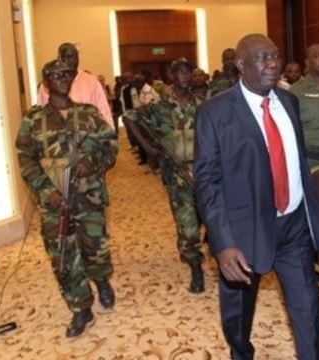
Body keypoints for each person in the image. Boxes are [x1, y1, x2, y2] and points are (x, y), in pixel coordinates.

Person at [194, 33, 319, 360]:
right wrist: (223, 244)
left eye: (275, 56)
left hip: (294, 226)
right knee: (238, 317)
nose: (272, 64)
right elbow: (207, 183)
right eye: (262, 58)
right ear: (240, 64)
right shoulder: (214, 112)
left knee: (308, 309)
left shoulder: (289, 102)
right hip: (243, 233)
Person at [16, 59, 118, 337]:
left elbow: (110, 145)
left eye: (66, 74)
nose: (62, 78)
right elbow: (26, 160)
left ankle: (101, 280)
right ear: (45, 83)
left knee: (95, 248)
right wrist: (46, 192)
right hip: (55, 203)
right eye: (55, 75)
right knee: (63, 257)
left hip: (89, 196)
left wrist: (92, 162)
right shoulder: (32, 120)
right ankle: (80, 306)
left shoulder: (88, 114)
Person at [125, 58, 206, 293]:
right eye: (179, 71)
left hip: (204, 171)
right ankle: (195, 265)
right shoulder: (159, 108)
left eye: (188, 71)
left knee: (205, 216)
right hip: (177, 173)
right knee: (186, 222)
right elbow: (129, 118)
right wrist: (150, 150)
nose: (184, 75)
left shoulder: (202, 104)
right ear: (171, 76)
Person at [37, 43, 114, 129]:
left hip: (88, 136)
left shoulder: (92, 82)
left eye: (74, 57)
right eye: (67, 57)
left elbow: (104, 112)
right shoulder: (49, 84)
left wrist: (110, 133)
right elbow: (41, 115)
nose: (71, 61)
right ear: (59, 58)